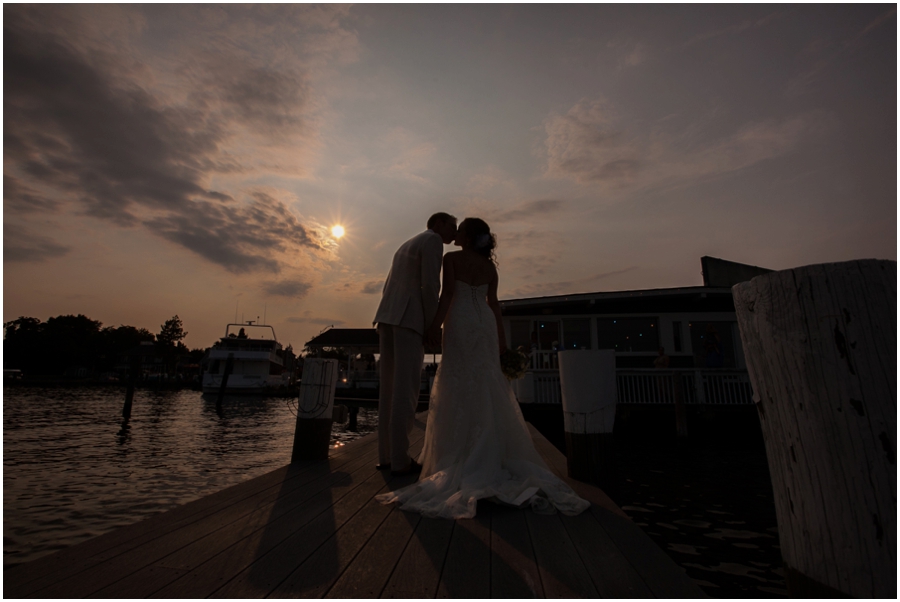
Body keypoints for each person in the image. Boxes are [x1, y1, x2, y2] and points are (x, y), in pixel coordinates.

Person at [376, 218, 589, 519]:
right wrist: (501, 343)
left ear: (468, 236)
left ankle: (442, 453)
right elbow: (494, 304)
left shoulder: (449, 258)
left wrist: (433, 326)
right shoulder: (490, 268)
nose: (455, 233)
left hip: (460, 322)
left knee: (456, 380)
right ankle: (489, 448)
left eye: (460, 229)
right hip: (485, 325)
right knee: (486, 381)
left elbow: (446, 294)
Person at [373, 212, 458, 475]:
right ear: (439, 222)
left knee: (387, 390)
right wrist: (433, 326)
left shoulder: (406, 244)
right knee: (405, 390)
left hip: (387, 317)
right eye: (452, 226)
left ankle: (385, 456)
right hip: (409, 319)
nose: (454, 233)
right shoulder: (433, 242)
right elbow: (430, 285)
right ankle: (400, 460)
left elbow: (390, 284)